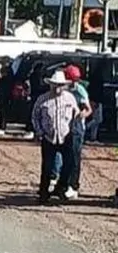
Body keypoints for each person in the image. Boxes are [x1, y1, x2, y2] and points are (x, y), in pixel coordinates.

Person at [32, 70, 80, 203]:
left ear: (64, 85)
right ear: (50, 85)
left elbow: (76, 113)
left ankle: (61, 187)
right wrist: (40, 132)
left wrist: (75, 128)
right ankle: (43, 193)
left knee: (69, 165)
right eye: (55, 85)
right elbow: (35, 116)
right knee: (47, 167)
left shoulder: (70, 98)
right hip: (49, 137)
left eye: (60, 85)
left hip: (66, 137)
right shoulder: (43, 99)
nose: (58, 87)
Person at [61, 64, 92, 199]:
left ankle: (73, 186)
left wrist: (80, 115)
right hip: (64, 127)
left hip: (77, 128)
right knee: (65, 156)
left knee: (74, 157)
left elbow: (88, 109)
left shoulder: (80, 91)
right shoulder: (63, 89)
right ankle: (62, 184)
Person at [0, 58, 14, 135]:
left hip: (5, 94)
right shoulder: (7, 70)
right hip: (1, 93)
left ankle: (2, 126)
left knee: (3, 111)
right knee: (1, 110)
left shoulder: (9, 70)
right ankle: (0, 125)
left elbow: (2, 78)